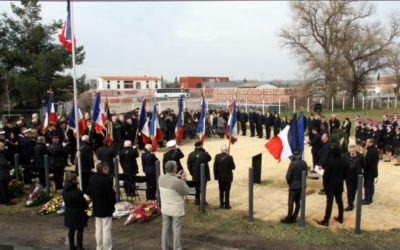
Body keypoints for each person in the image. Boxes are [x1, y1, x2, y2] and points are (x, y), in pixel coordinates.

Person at [159, 161, 190, 250]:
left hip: (165, 208)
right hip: (175, 209)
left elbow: (169, 180)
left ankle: (165, 247)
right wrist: (183, 181)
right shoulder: (176, 182)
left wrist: (175, 176)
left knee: (165, 228)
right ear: (174, 169)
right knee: (176, 229)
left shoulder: (160, 178)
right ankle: (177, 248)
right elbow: (186, 191)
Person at [89, 162, 116, 250]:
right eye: (107, 168)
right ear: (104, 169)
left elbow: (90, 191)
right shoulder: (107, 179)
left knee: (98, 228)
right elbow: (110, 194)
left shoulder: (92, 178)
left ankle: (99, 247)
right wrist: (113, 202)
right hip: (106, 206)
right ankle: (107, 247)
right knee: (106, 229)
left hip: (97, 205)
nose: (108, 170)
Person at [317, 146, 346, 226]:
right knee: (339, 201)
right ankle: (341, 217)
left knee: (329, 202)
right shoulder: (343, 161)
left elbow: (326, 175)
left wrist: (325, 183)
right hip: (339, 184)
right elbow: (345, 174)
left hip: (330, 185)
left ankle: (326, 220)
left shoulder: (330, 162)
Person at [62, 172, 89, 250]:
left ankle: (71, 245)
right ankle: (80, 247)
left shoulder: (65, 191)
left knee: (71, 230)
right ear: (73, 181)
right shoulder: (77, 192)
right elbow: (83, 204)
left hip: (69, 212)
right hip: (78, 213)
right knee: (80, 230)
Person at [281, 150, 307, 224]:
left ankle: (289, 218)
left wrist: (290, 183)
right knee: (298, 203)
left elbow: (288, 176)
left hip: (293, 186)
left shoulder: (292, 164)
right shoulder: (304, 163)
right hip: (301, 186)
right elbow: (305, 174)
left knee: (291, 203)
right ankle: (294, 217)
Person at [187, 141, 212, 205]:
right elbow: (209, 158)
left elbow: (189, 165)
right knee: (203, 187)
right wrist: (204, 151)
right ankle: (203, 200)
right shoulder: (204, 153)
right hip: (204, 174)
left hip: (195, 174)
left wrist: (191, 173)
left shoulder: (191, 154)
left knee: (196, 187)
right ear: (201, 146)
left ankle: (197, 200)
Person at [213, 144, 236, 209]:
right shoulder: (229, 157)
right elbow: (233, 167)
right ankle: (227, 205)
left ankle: (221, 204)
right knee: (227, 191)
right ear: (227, 150)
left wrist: (216, 176)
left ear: (221, 150)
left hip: (220, 177)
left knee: (221, 191)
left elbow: (215, 167)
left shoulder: (217, 156)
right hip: (228, 177)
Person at [343, 145, 364, 211]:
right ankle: (350, 205)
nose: (351, 152)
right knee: (349, 190)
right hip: (348, 176)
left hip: (357, 176)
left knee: (354, 190)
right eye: (350, 151)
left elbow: (364, 165)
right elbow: (343, 165)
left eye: (353, 151)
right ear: (348, 150)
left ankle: (351, 202)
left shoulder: (361, 156)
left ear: (356, 150)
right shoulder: (345, 155)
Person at [363, 138, 379, 205]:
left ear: (371, 143)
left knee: (367, 185)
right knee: (371, 185)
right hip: (373, 170)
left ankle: (368, 199)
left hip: (369, 171)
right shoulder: (375, 150)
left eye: (367, 142)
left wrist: (363, 166)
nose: (366, 143)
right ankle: (370, 198)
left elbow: (367, 163)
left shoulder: (370, 152)